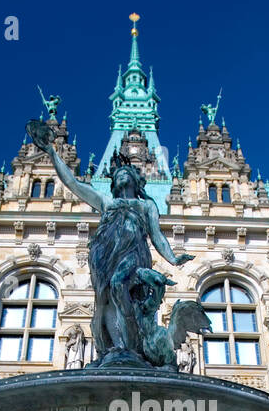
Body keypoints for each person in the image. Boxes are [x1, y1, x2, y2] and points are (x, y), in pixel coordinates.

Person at [28, 119, 192, 365]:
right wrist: (52, 152)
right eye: (119, 174)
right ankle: (117, 346)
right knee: (106, 299)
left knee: (119, 284)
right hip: (107, 254)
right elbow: (73, 183)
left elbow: (157, 235)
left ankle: (130, 344)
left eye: (127, 173)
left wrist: (173, 258)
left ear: (136, 181)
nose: (122, 175)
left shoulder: (146, 205)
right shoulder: (107, 203)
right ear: (113, 184)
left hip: (134, 253)